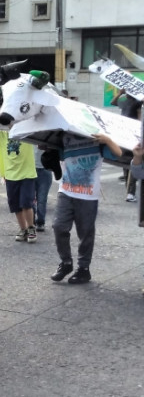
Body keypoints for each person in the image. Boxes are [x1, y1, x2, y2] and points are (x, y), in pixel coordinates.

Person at [50, 133, 121, 284]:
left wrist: (107, 140)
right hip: (66, 190)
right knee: (59, 226)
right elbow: (61, 156)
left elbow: (118, 154)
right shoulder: (65, 136)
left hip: (88, 195)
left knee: (86, 233)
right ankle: (66, 263)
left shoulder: (97, 139)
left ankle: (83, 269)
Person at [0, 111, 38, 243]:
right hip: (10, 175)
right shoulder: (3, 135)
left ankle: (31, 228)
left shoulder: (27, 135)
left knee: (26, 203)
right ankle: (23, 229)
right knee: (16, 205)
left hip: (27, 174)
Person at [110, 89, 142, 202]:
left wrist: (119, 93)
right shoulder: (136, 102)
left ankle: (130, 192)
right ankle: (130, 193)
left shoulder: (129, 101)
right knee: (133, 161)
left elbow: (113, 102)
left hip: (126, 134)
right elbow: (139, 117)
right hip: (131, 135)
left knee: (128, 163)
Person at [33, 147, 54, 232]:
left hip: (45, 170)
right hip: (31, 169)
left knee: (42, 198)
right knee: (30, 198)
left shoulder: (47, 135)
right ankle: (31, 221)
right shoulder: (28, 135)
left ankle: (40, 222)